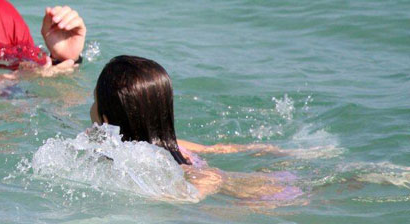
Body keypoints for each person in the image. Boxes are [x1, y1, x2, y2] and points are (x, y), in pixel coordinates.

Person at [90, 55, 302, 203]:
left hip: (263, 196)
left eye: (94, 100)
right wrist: (273, 150)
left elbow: (205, 184)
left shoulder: (147, 163)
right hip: (274, 183)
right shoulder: (176, 146)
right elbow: (221, 148)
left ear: (106, 120)